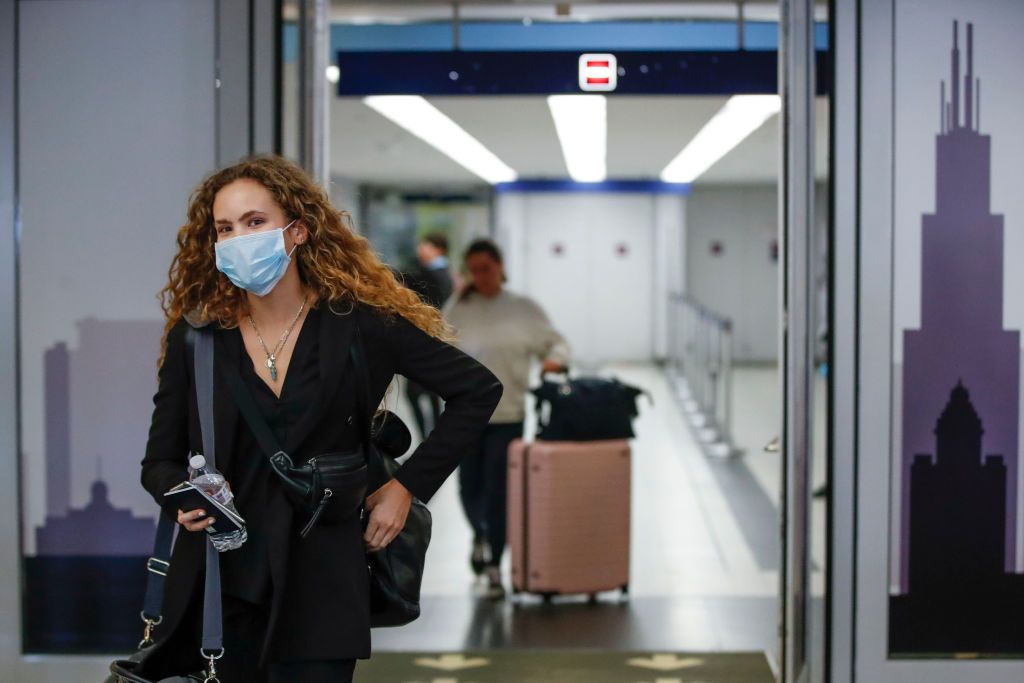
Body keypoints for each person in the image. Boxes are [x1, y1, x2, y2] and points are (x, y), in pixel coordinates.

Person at [138, 155, 502, 683]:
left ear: (298, 231)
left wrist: (406, 488)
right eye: (225, 228)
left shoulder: (359, 327)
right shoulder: (197, 339)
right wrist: (179, 496)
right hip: (221, 580)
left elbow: (477, 390)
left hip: (326, 575)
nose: (239, 238)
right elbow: (158, 461)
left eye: (255, 222)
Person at [443, 238, 569, 600]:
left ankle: (495, 561)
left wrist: (554, 360)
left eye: (487, 268)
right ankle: (481, 533)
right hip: (463, 415)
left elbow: (556, 343)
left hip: (508, 413)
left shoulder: (523, 309)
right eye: (474, 270)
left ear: (500, 267)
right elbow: (436, 346)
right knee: (469, 487)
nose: (480, 276)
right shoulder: (459, 308)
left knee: (499, 490)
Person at [401, 232, 454, 439]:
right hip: (432, 339)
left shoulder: (435, 274)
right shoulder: (438, 272)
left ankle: (428, 437)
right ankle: (431, 436)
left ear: (438, 249)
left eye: (427, 246)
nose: (421, 250)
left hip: (428, 339)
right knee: (430, 392)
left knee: (416, 393)